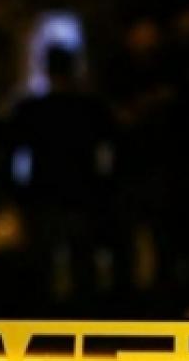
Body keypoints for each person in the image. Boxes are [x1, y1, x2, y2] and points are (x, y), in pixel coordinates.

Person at [9, 45, 119, 308]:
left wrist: (19, 193)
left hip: (47, 196)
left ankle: (49, 317)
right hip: (80, 196)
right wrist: (104, 185)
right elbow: (109, 152)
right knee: (82, 267)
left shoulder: (33, 110)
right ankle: (84, 317)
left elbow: (14, 154)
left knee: (47, 267)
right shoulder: (90, 109)